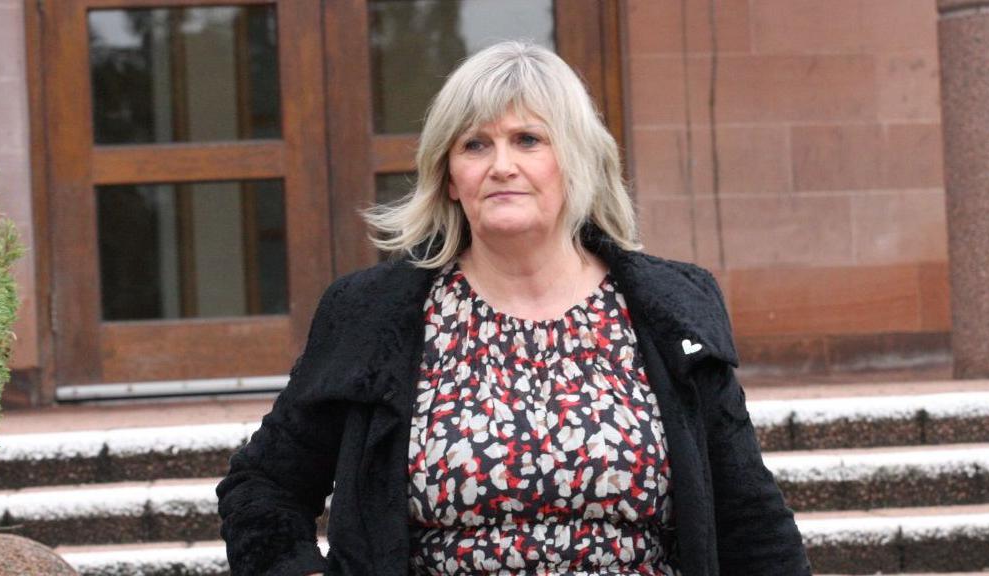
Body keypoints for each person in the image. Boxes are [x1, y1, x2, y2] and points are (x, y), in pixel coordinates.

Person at [216, 40, 811, 576]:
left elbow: (748, 519)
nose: (502, 165)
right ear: (449, 176)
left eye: (528, 139)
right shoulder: (372, 314)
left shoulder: (670, 307)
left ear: (574, 159)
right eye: (475, 144)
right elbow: (263, 485)